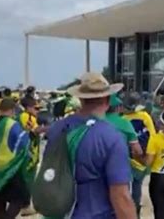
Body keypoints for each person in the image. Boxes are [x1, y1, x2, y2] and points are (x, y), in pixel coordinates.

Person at [46, 73, 136, 219]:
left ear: (81, 99)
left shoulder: (57, 129)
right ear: (107, 100)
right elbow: (120, 196)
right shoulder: (111, 137)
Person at [0, 98, 30, 219]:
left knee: (0, 198)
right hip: (10, 166)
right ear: (12, 110)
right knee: (19, 198)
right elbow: (23, 141)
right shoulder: (11, 124)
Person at [123, 92, 156, 217]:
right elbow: (152, 135)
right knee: (137, 185)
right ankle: (135, 212)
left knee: (125, 185)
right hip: (142, 156)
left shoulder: (123, 120)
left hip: (127, 157)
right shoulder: (145, 117)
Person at [17, 96, 48, 216]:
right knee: (28, 178)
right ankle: (25, 205)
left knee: (28, 177)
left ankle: (23, 203)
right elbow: (33, 131)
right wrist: (48, 128)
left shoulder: (26, 116)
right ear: (29, 107)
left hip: (30, 151)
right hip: (28, 152)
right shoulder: (26, 117)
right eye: (36, 108)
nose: (37, 110)